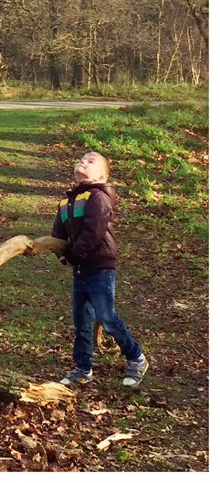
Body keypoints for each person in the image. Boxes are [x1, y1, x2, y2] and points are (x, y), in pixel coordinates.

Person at [51, 152, 149, 388]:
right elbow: (57, 234)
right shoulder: (67, 201)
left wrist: (74, 256)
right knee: (82, 320)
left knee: (105, 316)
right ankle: (83, 368)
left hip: (100, 266)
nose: (83, 161)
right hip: (80, 270)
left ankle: (136, 358)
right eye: (81, 159)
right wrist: (62, 254)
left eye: (90, 161)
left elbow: (94, 231)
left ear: (101, 176)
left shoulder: (99, 196)